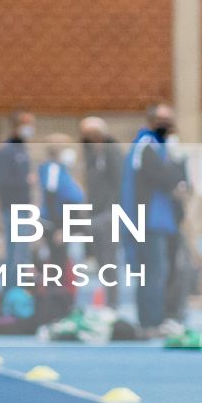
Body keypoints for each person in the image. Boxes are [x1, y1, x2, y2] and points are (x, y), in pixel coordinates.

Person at [122, 103, 191, 336]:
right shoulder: (145, 144)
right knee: (152, 271)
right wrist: (176, 169)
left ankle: (161, 316)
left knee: (164, 271)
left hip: (164, 220)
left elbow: (179, 180)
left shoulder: (161, 147)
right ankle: (150, 321)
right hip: (147, 220)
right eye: (163, 120)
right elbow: (160, 175)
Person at [78, 117, 124, 306]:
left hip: (109, 214)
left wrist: (112, 210)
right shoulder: (91, 156)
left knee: (110, 261)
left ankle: (112, 304)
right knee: (101, 262)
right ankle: (106, 300)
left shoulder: (111, 152)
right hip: (94, 214)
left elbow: (119, 183)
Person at [34, 134, 85, 272]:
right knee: (57, 263)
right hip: (55, 224)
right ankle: (54, 292)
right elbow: (51, 197)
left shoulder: (63, 170)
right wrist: (59, 228)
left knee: (62, 262)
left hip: (65, 222)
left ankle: (60, 291)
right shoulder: (53, 169)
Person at [0, 111, 35, 264]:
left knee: (22, 251)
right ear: (17, 126)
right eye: (28, 125)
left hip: (24, 206)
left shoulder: (22, 149)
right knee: (15, 251)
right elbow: (3, 181)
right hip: (12, 207)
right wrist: (25, 181)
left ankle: (19, 285)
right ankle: (12, 286)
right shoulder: (7, 150)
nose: (31, 128)